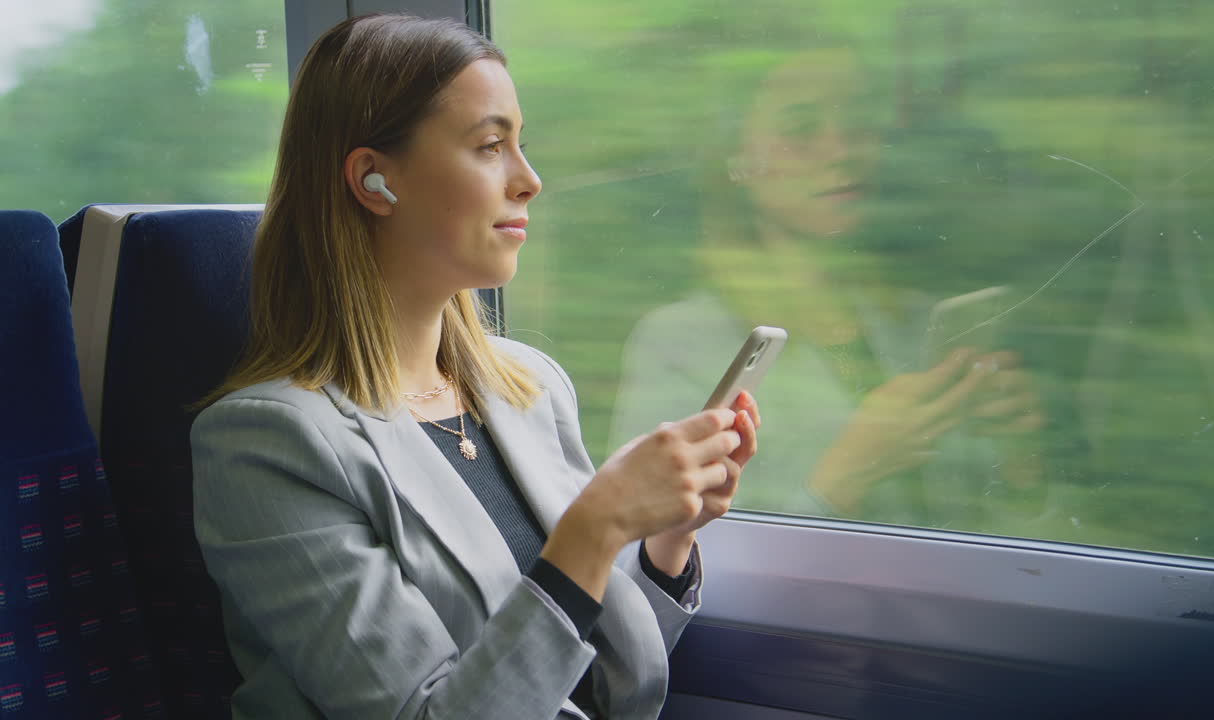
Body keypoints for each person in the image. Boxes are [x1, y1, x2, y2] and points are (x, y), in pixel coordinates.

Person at [190, 14, 759, 720]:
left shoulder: (529, 388)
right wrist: (598, 525)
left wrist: (670, 537)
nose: (530, 181)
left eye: (523, 146)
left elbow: (586, 679)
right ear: (374, 180)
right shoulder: (264, 448)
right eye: (491, 146)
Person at [610, 45, 1049, 531]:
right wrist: (841, 480)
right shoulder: (680, 342)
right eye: (802, 129)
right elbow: (654, 557)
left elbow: (992, 538)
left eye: (858, 126)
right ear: (738, 158)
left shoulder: (920, 323)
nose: (841, 150)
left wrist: (1017, 466)